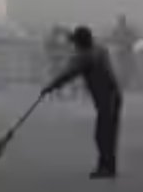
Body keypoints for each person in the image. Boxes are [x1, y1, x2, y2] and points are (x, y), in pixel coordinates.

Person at [43, 25, 123, 179]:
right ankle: (108, 166)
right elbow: (80, 50)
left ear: (81, 43)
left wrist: (50, 87)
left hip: (107, 98)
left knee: (103, 135)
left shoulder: (86, 57)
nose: (75, 47)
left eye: (76, 44)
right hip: (114, 95)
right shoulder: (98, 49)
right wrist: (69, 35)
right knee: (107, 134)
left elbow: (68, 74)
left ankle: (106, 168)